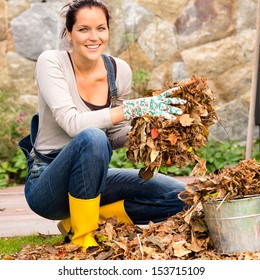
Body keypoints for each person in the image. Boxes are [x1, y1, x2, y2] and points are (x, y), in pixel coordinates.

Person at [19, 0, 188, 251]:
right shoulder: (51, 63)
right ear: (69, 33)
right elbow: (73, 124)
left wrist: (151, 135)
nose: (93, 37)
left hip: (91, 180)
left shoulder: (119, 70)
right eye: (83, 29)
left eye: (101, 28)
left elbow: (115, 134)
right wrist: (134, 108)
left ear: (108, 31)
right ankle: (84, 239)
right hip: (48, 183)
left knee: (179, 196)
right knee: (91, 137)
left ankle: (81, 221)